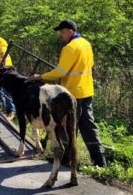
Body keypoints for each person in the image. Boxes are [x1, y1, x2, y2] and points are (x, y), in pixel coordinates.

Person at [27, 20, 106, 167]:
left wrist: (40, 77)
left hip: (72, 93)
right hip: (87, 91)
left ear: (70, 31)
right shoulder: (86, 44)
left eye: (62, 32)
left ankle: (65, 159)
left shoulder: (69, 48)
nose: (61, 35)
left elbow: (60, 71)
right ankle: (100, 161)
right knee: (89, 127)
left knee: (67, 126)